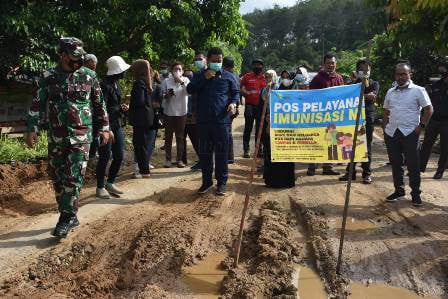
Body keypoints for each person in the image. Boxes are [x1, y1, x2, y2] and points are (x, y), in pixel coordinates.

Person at [25, 37, 111, 237]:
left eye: (80, 57)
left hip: (81, 136)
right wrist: (32, 128)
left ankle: (66, 216)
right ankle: (69, 213)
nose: (78, 61)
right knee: (58, 178)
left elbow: (100, 104)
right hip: (56, 136)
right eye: (74, 57)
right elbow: (37, 103)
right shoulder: (48, 76)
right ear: (62, 56)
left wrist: (105, 127)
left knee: (73, 176)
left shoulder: (89, 76)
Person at [187, 47, 239, 196]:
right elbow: (190, 89)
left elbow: (235, 93)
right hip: (203, 122)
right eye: (214, 61)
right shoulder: (199, 75)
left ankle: (221, 184)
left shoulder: (229, 76)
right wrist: (205, 78)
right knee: (205, 153)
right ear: (208, 60)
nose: (217, 63)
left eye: (220, 61)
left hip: (222, 121)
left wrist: (233, 103)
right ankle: (206, 182)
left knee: (222, 153)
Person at [383, 63, 433, 206]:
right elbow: (386, 110)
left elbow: (429, 109)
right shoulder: (390, 92)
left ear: (410, 74)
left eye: (404, 74)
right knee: (396, 163)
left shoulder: (418, 90)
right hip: (392, 132)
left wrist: (421, 126)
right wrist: (385, 125)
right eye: (398, 74)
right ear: (395, 76)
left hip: (410, 133)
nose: (401, 77)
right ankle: (399, 191)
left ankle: (416, 193)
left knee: (413, 164)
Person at [339, 59, 379, 184]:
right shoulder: (353, 85)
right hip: (353, 117)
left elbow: (373, 96)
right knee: (351, 144)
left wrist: (361, 95)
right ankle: (350, 172)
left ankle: (366, 173)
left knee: (366, 146)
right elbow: (347, 97)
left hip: (367, 117)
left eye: (367, 69)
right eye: (362, 69)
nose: (365, 71)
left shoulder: (374, 83)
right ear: (357, 71)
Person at [95, 56, 130, 199]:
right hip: (106, 126)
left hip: (117, 124)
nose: (124, 73)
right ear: (116, 71)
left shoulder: (116, 84)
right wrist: (105, 128)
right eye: (122, 70)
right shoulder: (104, 85)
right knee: (105, 156)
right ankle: (100, 187)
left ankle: (110, 182)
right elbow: (101, 108)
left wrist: (122, 109)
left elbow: (114, 105)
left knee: (119, 155)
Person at [307, 53, 344, 176]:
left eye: (332, 63)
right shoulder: (317, 79)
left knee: (331, 141)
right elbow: (311, 97)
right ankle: (312, 167)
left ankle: (328, 167)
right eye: (328, 63)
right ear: (324, 64)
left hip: (333, 117)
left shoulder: (339, 78)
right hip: (318, 117)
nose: (330, 65)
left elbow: (343, 97)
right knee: (316, 141)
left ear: (336, 64)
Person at [261, 70, 295, 188]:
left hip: (290, 128)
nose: (285, 80)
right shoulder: (276, 90)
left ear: (292, 79)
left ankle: (287, 181)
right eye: (283, 77)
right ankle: (273, 180)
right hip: (275, 127)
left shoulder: (297, 91)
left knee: (287, 154)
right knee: (274, 153)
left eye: (288, 77)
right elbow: (267, 103)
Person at [420, 62, 448, 179]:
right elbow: (428, 102)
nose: (442, 74)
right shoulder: (435, 84)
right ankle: (419, 168)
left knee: (445, 146)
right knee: (426, 144)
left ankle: (440, 170)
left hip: (446, 121)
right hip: (434, 120)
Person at [161, 62, 190, 168]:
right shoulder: (166, 81)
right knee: (168, 137)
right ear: (172, 71)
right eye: (175, 69)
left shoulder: (186, 80)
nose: (177, 71)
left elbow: (188, 92)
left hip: (182, 112)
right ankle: (168, 160)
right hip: (169, 112)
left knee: (180, 137)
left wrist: (181, 82)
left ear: (182, 71)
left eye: (179, 69)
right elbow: (162, 95)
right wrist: (167, 95)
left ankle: (179, 160)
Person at [129, 59, 155, 178]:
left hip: (140, 119)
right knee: (143, 144)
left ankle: (144, 170)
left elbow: (139, 101)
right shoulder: (147, 82)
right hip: (146, 118)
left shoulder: (139, 82)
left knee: (140, 145)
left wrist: (130, 105)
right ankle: (144, 170)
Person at [241, 59, 266, 158]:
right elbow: (241, 87)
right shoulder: (247, 76)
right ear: (252, 66)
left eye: (259, 65)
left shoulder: (265, 78)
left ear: (262, 67)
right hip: (250, 106)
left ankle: (258, 150)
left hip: (261, 107)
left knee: (260, 129)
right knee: (248, 128)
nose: (257, 66)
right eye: (255, 65)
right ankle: (246, 150)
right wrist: (244, 92)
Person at [181, 69, 200, 167]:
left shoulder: (196, 89)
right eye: (187, 76)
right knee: (181, 139)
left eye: (191, 76)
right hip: (182, 116)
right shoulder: (183, 87)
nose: (189, 78)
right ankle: (182, 160)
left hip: (193, 118)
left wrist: (195, 115)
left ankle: (202, 159)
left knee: (196, 139)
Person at [223, 56, 240, 164]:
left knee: (227, 132)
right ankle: (229, 157)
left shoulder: (227, 76)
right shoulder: (236, 76)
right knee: (228, 132)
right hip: (233, 107)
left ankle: (228, 157)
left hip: (227, 108)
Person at [84, 53, 100, 162]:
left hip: (93, 111)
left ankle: (93, 155)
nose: (94, 69)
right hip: (83, 112)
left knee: (95, 134)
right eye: (92, 66)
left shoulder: (93, 76)